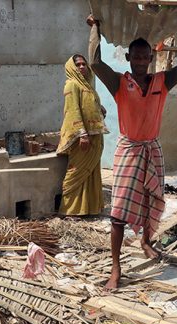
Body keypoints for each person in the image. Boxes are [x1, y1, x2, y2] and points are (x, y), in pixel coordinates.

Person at [87, 15, 177, 290]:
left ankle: (146, 241)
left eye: (144, 58)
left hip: (152, 149)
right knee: (118, 214)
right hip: (128, 150)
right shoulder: (118, 83)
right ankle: (116, 269)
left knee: (152, 201)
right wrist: (95, 28)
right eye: (136, 57)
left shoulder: (163, 81)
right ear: (128, 57)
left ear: (151, 58)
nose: (140, 62)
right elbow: (94, 62)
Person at [56, 54, 109, 216]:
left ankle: (89, 209)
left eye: (83, 64)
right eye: (77, 65)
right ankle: (70, 211)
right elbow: (73, 111)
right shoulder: (72, 85)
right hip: (83, 137)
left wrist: (99, 108)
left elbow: (87, 104)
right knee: (77, 171)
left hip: (95, 135)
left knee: (91, 172)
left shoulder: (87, 85)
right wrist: (82, 135)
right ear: (71, 68)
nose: (81, 67)